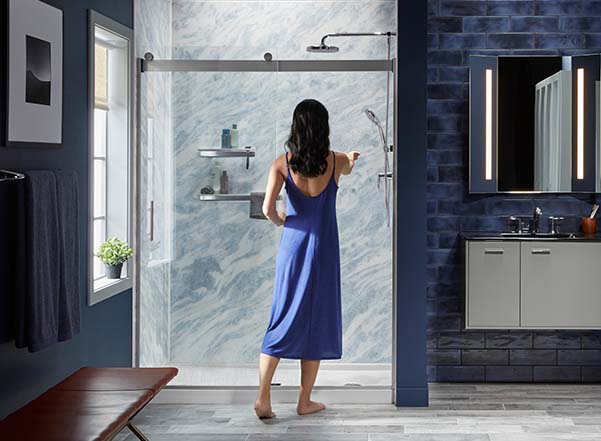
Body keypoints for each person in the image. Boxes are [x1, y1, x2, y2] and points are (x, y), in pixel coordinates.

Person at [256, 99, 360, 419]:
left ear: (296, 127)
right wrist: (353, 157)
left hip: (293, 245)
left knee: (282, 317)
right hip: (324, 249)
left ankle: (263, 399)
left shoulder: (281, 163)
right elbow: (350, 165)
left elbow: (267, 210)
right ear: (323, 126)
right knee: (316, 321)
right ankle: (304, 401)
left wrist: (284, 222)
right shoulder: (335, 160)